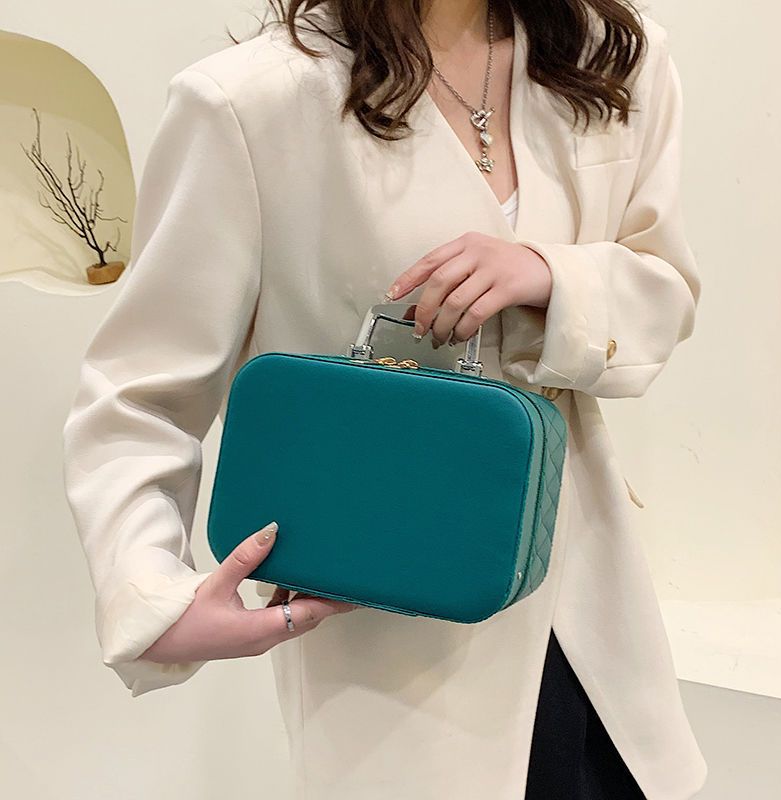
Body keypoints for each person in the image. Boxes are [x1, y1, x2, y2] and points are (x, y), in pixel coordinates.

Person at [61, 1, 708, 798]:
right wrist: (149, 587)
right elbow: (138, 393)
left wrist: (554, 276)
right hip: (392, 634)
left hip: (590, 605)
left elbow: (666, 291)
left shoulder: (612, 57)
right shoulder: (252, 102)